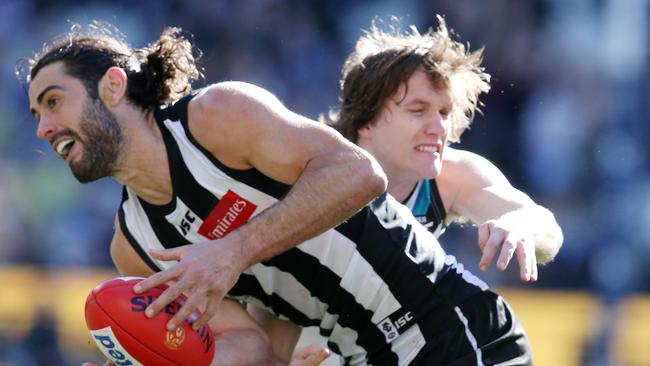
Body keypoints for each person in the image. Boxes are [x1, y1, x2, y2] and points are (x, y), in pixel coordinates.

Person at [22, 21, 533, 365]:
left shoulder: (216, 117)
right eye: (38, 115)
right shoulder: (132, 246)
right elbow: (250, 347)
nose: (45, 128)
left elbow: (358, 174)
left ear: (113, 87)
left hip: (447, 326)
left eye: (53, 101)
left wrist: (233, 251)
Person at [326, 16, 563, 282]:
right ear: (366, 121)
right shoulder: (313, 168)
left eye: (444, 112)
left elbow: (545, 228)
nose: (439, 127)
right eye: (418, 111)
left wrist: (521, 227)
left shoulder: (450, 178)